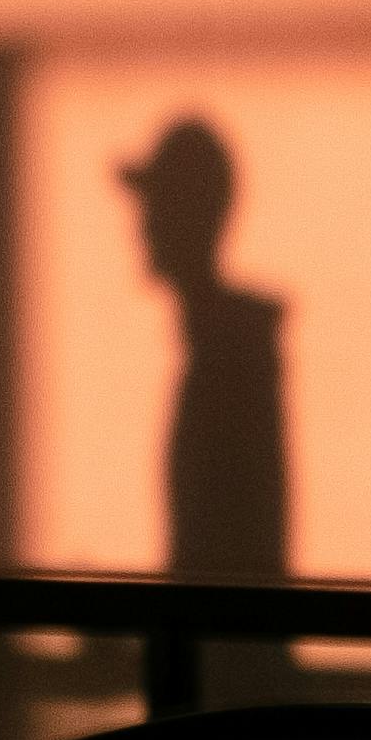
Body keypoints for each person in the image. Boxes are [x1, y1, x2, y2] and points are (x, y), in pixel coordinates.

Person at [119, 117, 291, 581]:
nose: (143, 225)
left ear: (189, 215)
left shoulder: (231, 356)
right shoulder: (225, 349)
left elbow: (238, 543)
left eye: (157, 205)